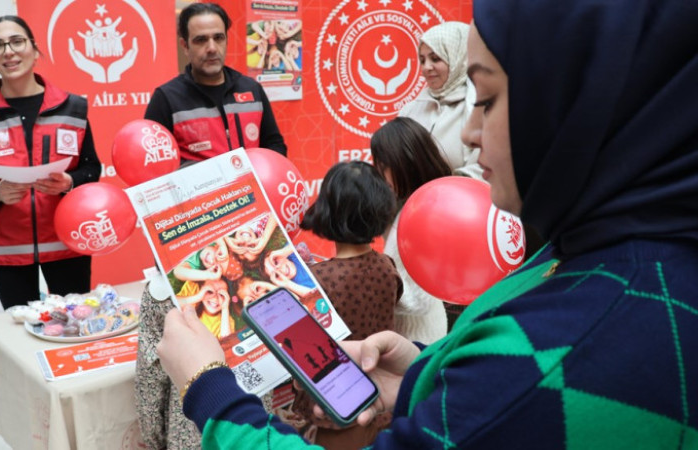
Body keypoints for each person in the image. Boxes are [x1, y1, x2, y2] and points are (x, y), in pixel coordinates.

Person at [155, 0, 698, 447]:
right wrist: (424, 376)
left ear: (582, 105)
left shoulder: (568, 347)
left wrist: (210, 390)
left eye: (485, 99)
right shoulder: (604, 252)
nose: (467, 133)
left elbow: (517, 389)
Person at [0, 15, 101, 310]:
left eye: (17, 41)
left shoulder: (73, 107)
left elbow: (91, 169)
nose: (8, 51)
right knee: (20, 335)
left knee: (73, 329)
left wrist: (69, 182)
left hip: (68, 242)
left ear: (34, 49)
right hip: (6, 250)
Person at [295, 161, 403, 448]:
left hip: (336, 409)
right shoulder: (387, 266)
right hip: (383, 403)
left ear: (327, 211)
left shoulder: (317, 280)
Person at [144, 3, 287, 164]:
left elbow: (274, 144)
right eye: (201, 40)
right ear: (185, 46)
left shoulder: (252, 89)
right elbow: (155, 165)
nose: (212, 48)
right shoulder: (166, 99)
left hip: (252, 188)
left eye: (218, 38)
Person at [371, 117, 454, 339]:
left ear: (405, 163)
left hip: (418, 340)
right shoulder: (411, 206)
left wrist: (370, 283)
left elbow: (420, 300)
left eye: (384, 166)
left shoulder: (422, 219)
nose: (380, 175)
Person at [398, 21, 481, 179]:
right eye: (422, 60)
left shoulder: (479, 107)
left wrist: (444, 189)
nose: (426, 67)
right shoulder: (412, 109)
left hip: (462, 200)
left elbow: (486, 168)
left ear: (459, 58)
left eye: (435, 59)